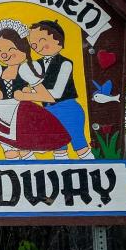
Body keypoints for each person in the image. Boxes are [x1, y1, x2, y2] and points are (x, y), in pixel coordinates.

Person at [0, 19, 71, 159]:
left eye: (10, 49)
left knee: (24, 148)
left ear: (23, 48)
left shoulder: (26, 70)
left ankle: (31, 173)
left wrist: (24, 96)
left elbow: (47, 96)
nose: (4, 54)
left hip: (22, 114)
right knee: (9, 150)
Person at [28, 19, 93, 159]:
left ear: (57, 38)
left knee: (79, 144)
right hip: (49, 112)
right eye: (33, 44)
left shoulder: (65, 63)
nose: (37, 46)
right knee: (58, 149)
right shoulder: (35, 65)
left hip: (68, 109)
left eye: (41, 40)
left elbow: (57, 92)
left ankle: (94, 173)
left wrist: (30, 94)